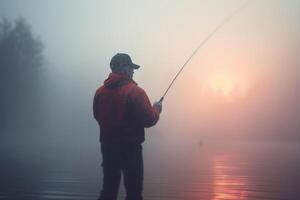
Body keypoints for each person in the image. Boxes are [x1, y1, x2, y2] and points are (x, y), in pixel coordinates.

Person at [93, 53, 162, 200]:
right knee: (134, 192)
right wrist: (157, 108)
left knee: (108, 190)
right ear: (124, 68)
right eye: (131, 68)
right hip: (130, 149)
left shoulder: (99, 92)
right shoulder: (136, 92)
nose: (133, 71)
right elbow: (149, 120)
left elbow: (97, 115)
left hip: (107, 148)